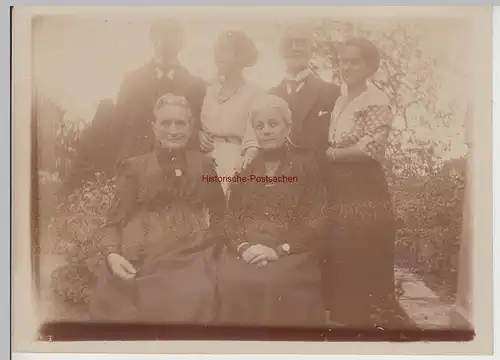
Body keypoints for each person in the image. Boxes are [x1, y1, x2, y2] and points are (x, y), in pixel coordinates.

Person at [89, 94, 226, 324]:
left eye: (180, 123)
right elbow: (112, 221)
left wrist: (213, 247)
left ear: (191, 127)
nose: (173, 130)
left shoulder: (204, 165)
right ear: (154, 128)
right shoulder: (134, 167)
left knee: (196, 294)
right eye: (166, 123)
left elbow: (221, 214)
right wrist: (112, 254)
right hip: (143, 252)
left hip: (191, 252)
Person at [216, 94, 328, 326]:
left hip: (291, 251)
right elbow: (229, 219)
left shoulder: (306, 167)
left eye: (273, 124)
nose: (266, 130)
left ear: (288, 127)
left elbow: (316, 219)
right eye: (259, 126)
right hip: (246, 249)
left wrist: (279, 250)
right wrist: (243, 247)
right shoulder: (245, 170)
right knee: (231, 282)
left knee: (273, 283)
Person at [323, 37, 408, 328]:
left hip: (362, 182)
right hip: (337, 183)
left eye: (353, 61)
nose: (346, 66)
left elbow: (372, 147)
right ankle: (342, 317)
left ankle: (365, 320)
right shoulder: (340, 99)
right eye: (343, 61)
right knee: (338, 245)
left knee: (361, 244)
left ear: (370, 66)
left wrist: (331, 155)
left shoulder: (376, 100)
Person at [115, 18, 206, 160]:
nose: (166, 42)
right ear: (152, 39)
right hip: (137, 163)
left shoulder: (195, 85)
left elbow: (197, 129)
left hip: (180, 165)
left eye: (172, 36)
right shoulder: (132, 81)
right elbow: (118, 127)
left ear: (181, 43)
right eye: (162, 35)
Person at [199, 30, 264, 194]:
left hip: (236, 162)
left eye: (223, 50)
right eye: (216, 51)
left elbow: (254, 140)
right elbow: (194, 124)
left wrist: (243, 168)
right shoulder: (208, 91)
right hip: (205, 161)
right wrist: (198, 134)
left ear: (240, 56)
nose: (217, 56)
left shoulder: (255, 94)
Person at [269, 25, 340, 158]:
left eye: (301, 43)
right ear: (280, 52)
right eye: (289, 44)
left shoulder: (332, 92)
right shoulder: (269, 96)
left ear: (311, 51)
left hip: (318, 173)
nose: (295, 48)